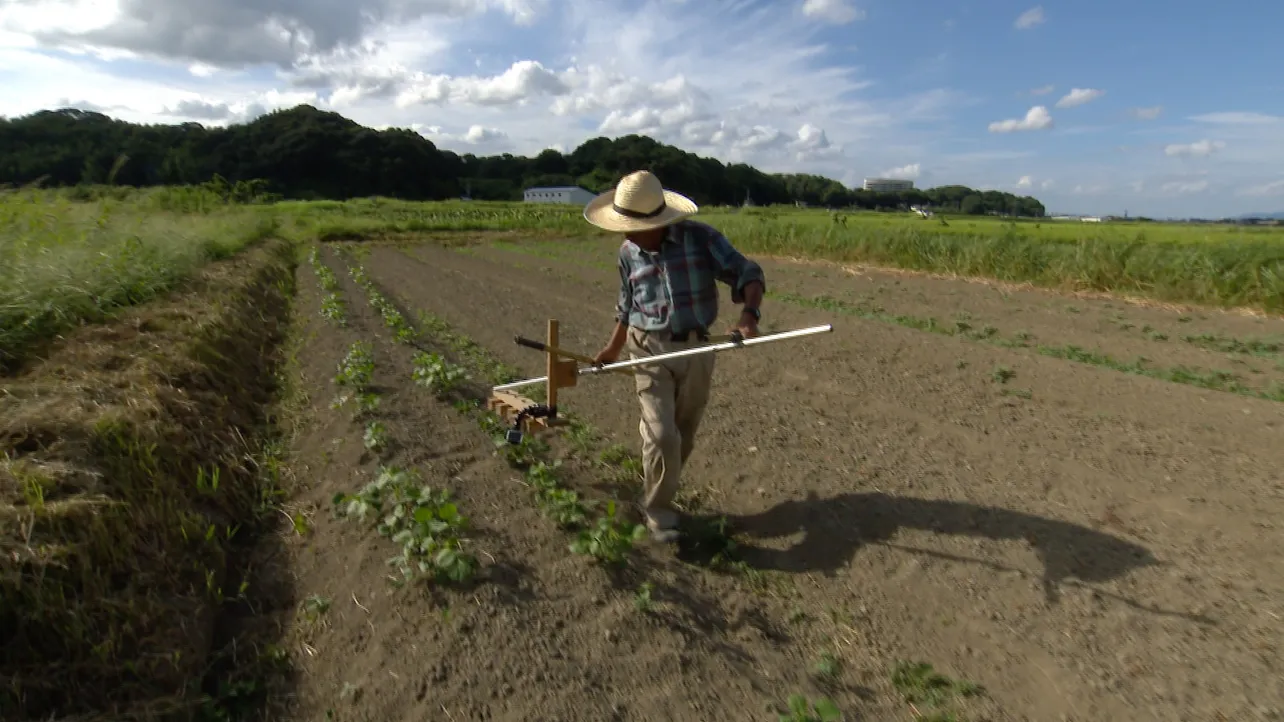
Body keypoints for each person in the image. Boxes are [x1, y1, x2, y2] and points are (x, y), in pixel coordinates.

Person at [585, 170, 766, 543]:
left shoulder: (701, 240)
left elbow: (747, 273)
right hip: (646, 347)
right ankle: (658, 512)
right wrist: (613, 348)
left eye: (634, 225)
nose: (626, 232)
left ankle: (656, 488)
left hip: (698, 346)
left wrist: (749, 317)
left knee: (682, 434)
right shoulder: (627, 252)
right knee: (662, 433)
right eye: (624, 224)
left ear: (658, 220)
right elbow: (627, 304)